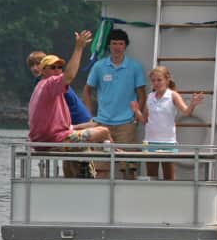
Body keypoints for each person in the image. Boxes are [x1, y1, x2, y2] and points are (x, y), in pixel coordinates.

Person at [28, 32, 112, 178]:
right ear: (43, 71)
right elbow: (70, 76)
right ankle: (111, 154)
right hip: (55, 140)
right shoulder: (50, 84)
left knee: (92, 127)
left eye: (60, 67)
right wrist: (79, 47)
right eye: (52, 67)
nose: (57, 71)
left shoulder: (40, 86)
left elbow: (57, 124)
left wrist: (85, 125)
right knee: (103, 131)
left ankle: (81, 175)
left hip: (47, 138)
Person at [84, 28, 147, 178]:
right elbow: (87, 90)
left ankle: (130, 199)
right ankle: (100, 199)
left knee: (128, 168)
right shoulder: (99, 66)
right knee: (100, 168)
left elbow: (142, 95)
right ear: (109, 46)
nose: (117, 47)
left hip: (126, 124)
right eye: (114, 43)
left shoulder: (135, 67)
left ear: (125, 46)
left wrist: (136, 116)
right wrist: (90, 115)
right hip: (101, 123)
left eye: (120, 43)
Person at [130, 66, 204, 181]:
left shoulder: (172, 95)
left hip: (167, 142)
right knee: (151, 176)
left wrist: (193, 104)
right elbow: (145, 120)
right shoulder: (150, 97)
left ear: (167, 80)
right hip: (150, 141)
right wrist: (136, 111)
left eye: (159, 80)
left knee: (169, 177)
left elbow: (186, 111)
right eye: (153, 80)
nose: (156, 83)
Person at [27, 50, 94, 127]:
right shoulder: (41, 82)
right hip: (70, 122)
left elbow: (70, 75)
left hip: (77, 120)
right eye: (32, 65)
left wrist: (79, 47)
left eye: (38, 64)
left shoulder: (55, 82)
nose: (35, 68)